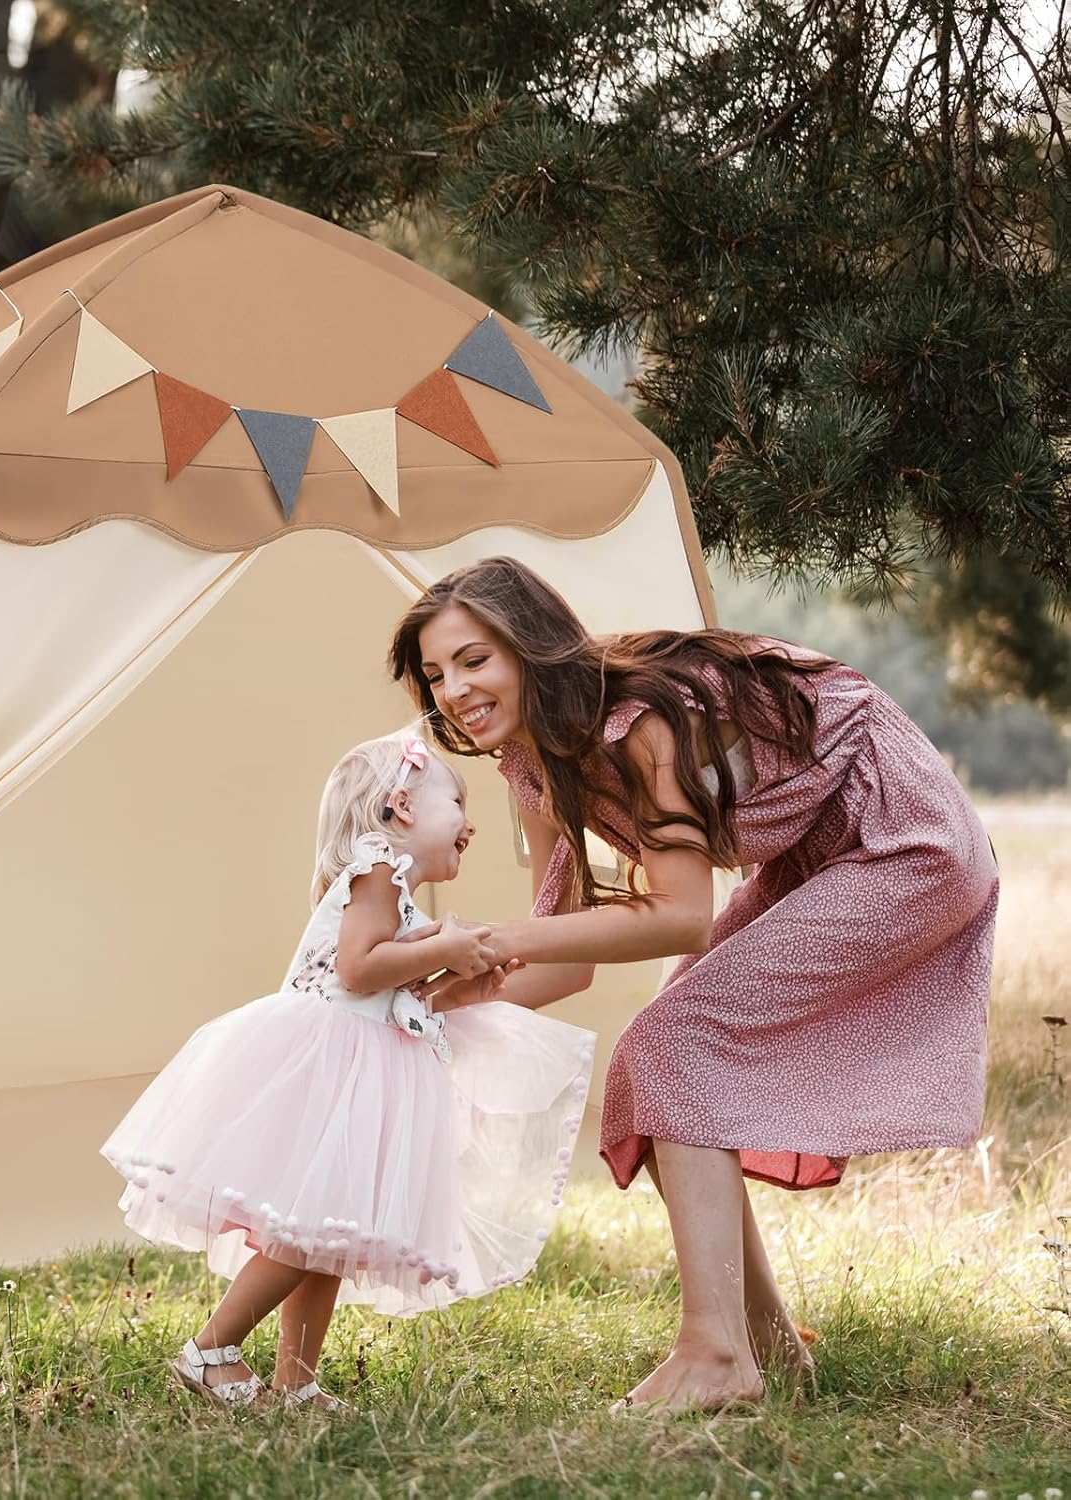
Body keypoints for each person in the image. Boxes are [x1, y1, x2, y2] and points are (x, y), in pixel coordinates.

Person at [389, 556, 998, 1413]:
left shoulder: (637, 723)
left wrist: (484, 939)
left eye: (474, 659)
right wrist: (431, 1010)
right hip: (812, 851)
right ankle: (769, 1353)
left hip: (903, 837)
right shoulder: (530, 762)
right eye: (435, 673)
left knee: (673, 1044)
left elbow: (679, 915)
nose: (453, 689)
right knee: (659, 1061)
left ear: (530, 647)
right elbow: (566, 957)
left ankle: (715, 1354)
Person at [101, 727, 596, 1408]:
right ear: (402, 808)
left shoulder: (397, 897)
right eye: (456, 801)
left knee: (327, 1234)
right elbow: (358, 969)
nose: (470, 823)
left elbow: (397, 989)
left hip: (359, 1072)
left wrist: (455, 977)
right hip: (331, 1069)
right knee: (305, 1231)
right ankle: (210, 1349)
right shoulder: (376, 869)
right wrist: (441, 945)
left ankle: (295, 1382)